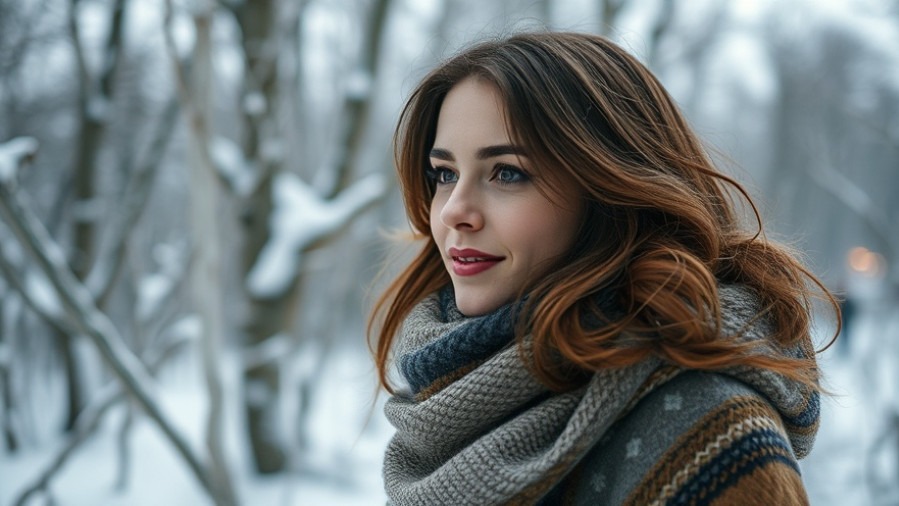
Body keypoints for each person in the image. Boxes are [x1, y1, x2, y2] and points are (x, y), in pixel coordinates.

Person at [368, 31, 839, 505]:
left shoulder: (712, 435)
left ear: (609, 190)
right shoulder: (441, 413)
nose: (454, 211)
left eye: (507, 172)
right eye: (445, 175)